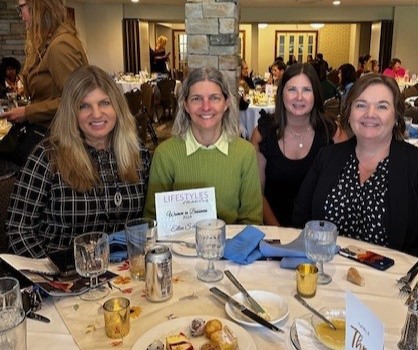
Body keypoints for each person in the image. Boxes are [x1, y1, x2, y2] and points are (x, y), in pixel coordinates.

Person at [292, 74, 418, 267]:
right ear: (349, 113)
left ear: (396, 116)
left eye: (382, 106)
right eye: (361, 105)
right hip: (326, 274)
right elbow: (300, 218)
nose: (370, 113)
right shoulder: (327, 157)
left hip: (393, 284)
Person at [6, 65, 151, 258]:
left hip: (126, 273)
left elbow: (150, 219)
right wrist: (53, 274)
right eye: (84, 106)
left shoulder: (138, 152)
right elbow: (18, 230)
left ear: (117, 107)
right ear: (71, 112)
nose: (97, 114)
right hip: (63, 274)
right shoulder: (48, 157)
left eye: (104, 103)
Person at [144, 67, 262, 225]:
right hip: (177, 247)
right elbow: (152, 220)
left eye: (214, 98)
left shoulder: (245, 153)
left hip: (231, 247)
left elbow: (252, 220)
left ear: (226, 103)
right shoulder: (165, 154)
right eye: (196, 99)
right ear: (185, 105)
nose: (206, 107)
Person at [251, 63, 337, 227]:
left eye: (306, 90)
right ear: (281, 93)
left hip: (320, 235)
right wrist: (279, 233)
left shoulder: (331, 133)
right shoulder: (263, 134)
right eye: (292, 90)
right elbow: (257, 193)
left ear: (316, 95)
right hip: (274, 232)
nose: (299, 97)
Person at [2, 0, 88, 129]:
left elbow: (77, 99)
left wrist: (27, 112)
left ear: (37, 7)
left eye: (21, 8)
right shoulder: (49, 41)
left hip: (60, 136)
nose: (21, 16)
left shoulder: (60, 45)